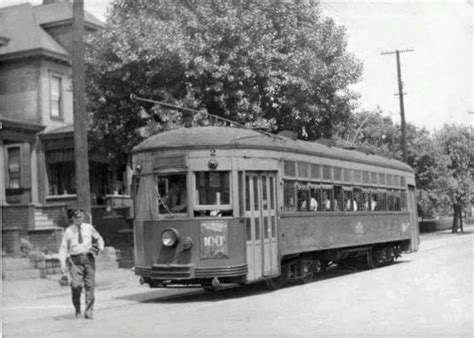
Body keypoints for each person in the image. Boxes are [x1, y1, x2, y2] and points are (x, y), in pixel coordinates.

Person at [59, 208, 104, 319]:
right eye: (76, 217)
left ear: (83, 217)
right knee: (76, 286)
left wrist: (100, 247)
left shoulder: (89, 228)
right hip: (75, 261)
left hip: (88, 259)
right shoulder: (69, 231)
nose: (78, 219)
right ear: (73, 219)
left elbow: (99, 238)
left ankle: (89, 311)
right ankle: (78, 309)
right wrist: (62, 264)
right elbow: (63, 248)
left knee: (90, 286)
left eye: (80, 217)